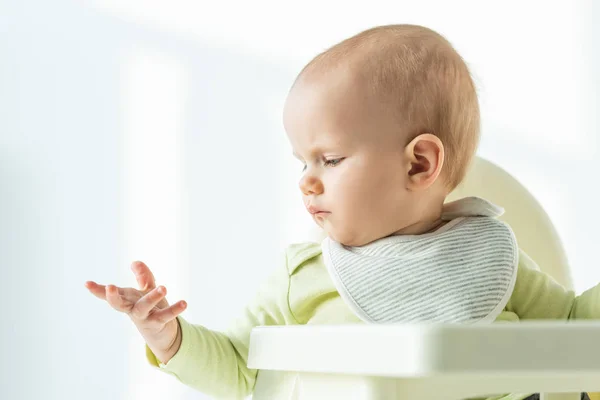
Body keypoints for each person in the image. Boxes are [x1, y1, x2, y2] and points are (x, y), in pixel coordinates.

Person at [85, 24, 598, 400]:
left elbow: (577, 327)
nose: (307, 180)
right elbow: (239, 368)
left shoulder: (490, 257)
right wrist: (168, 337)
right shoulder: (303, 277)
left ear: (420, 163)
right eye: (303, 161)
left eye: (329, 159)